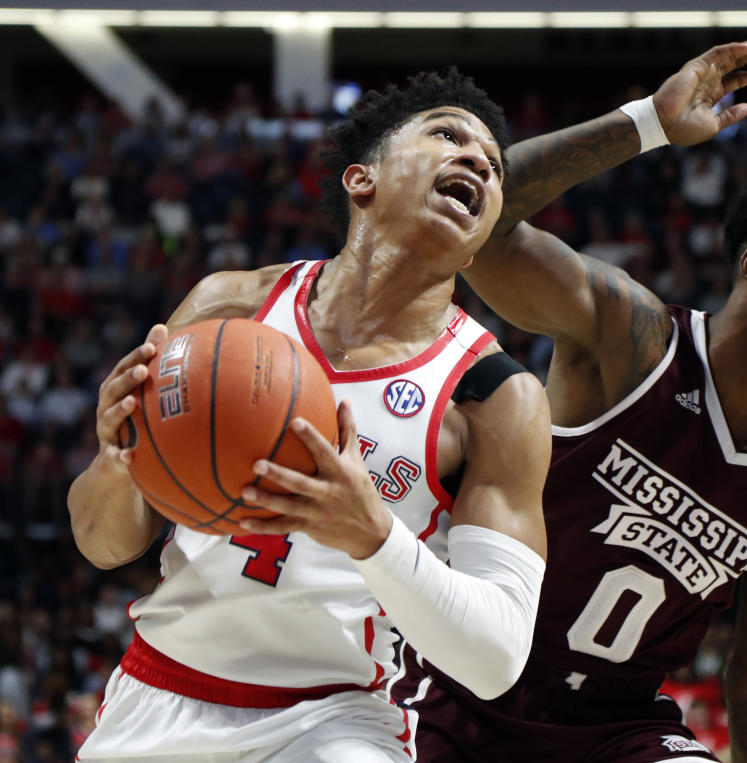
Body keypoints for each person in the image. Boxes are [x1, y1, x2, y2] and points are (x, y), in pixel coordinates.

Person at [395, 39, 747, 763]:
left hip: (618, 730)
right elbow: (486, 226)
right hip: (455, 689)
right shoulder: (634, 339)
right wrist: (646, 124)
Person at [67, 70, 552, 762]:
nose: (478, 157)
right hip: (156, 695)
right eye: (447, 133)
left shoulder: (495, 396)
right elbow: (100, 540)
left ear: (475, 248)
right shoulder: (226, 308)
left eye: (495, 165)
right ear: (362, 180)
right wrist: (117, 459)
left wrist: (373, 535)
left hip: (335, 721)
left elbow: (496, 658)